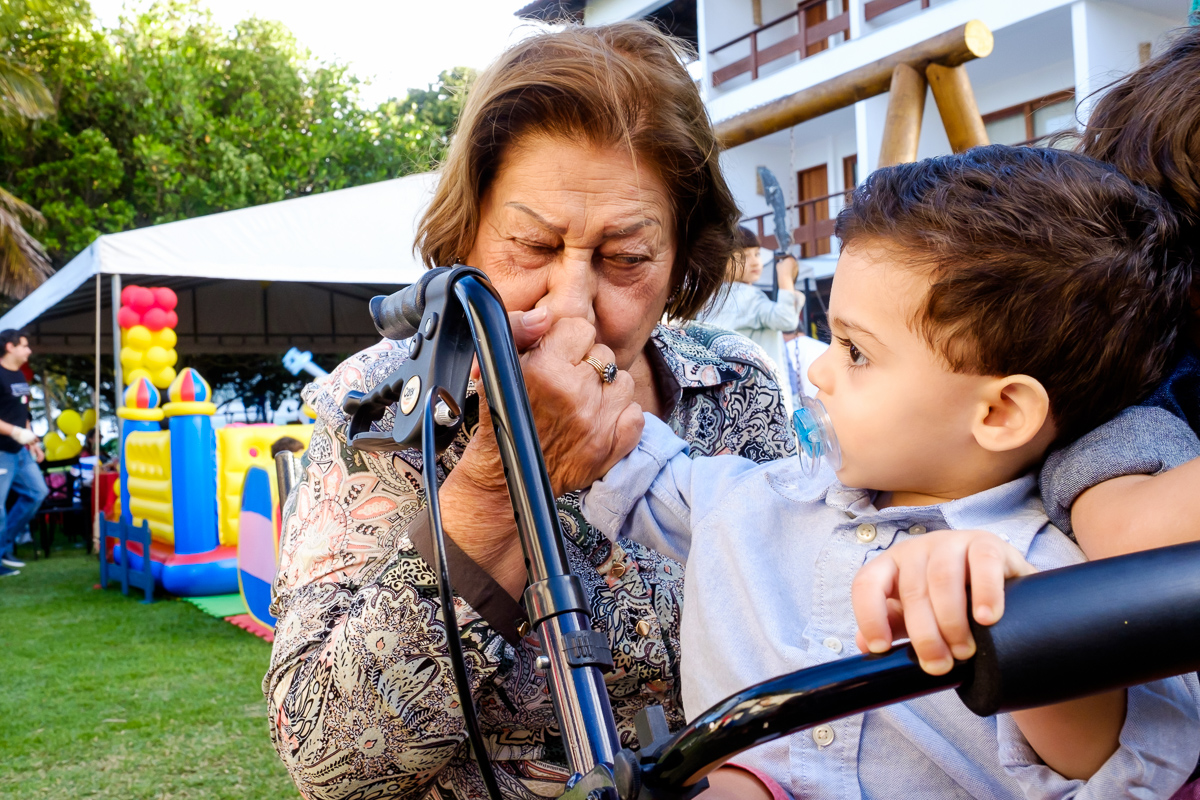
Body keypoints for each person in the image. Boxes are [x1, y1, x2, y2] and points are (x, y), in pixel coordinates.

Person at [263, 22, 794, 800]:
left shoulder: (732, 390)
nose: (571, 306)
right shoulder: (385, 406)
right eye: (533, 246)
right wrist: (495, 486)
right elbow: (328, 757)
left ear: (683, 258)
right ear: (469, 234)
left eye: (626, 260)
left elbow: (804, 630)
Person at [579, 147, 1199, 799]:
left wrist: (1014, 622)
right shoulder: (760, 498)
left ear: (1000, 412)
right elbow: (627, 454)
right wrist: (574, 369)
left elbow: (1120, 773)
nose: (820, 372)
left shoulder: (1061, 577)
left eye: (855, 352)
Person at [698, 226, 804, 409]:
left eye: (757, 254)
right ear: (721, 262)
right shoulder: (748, 296)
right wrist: (785, 278)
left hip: (731, 395)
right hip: (763, 393)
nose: (755, 262)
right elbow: (786, 320)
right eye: (744, 257)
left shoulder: (710, 300)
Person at [0, 330, 47, 577]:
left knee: (38, 492)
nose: (29, 351)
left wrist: (32, 443)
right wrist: (15, 432)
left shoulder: (18, 375)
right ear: (10, 347)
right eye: (25, 346)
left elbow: (22, 412)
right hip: (2, 451)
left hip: (21, 450)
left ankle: (4, 547)